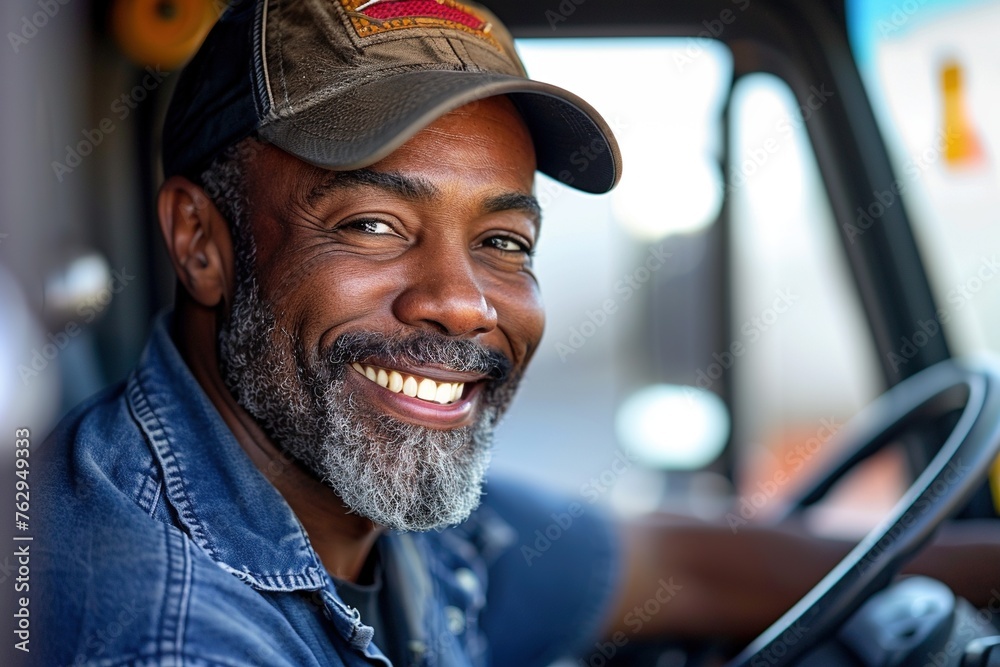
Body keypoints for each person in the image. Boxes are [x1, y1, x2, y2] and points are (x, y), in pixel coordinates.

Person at [32, 1, 1000, 666]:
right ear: (201, 242)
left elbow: (665, 562)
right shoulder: (169, 628)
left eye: (501, 240)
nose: (463, 303)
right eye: (374, 225)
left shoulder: (366, 504)